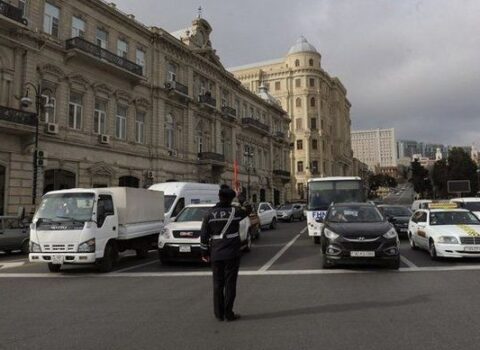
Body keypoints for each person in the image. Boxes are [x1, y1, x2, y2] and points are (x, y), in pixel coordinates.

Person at [200, 186, 247, 322]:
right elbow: (247, 210)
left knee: (217, 284)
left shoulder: (209, 214)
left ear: (219, 197)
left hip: (216, 253)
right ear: (231, 199)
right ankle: (229, 313)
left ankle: (219, 313)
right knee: (230, 284)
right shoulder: (236, 212)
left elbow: (204, 236)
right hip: (232, 254)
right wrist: (241, 198)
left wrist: (204, 252)